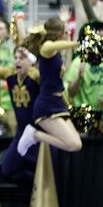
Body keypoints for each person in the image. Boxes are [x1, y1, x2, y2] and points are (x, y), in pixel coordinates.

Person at [17, 18, 83, 156]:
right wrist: (78, 43)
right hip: (47, 104)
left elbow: (66, 69)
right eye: (66, 32)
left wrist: (71, 45)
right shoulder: (47, 47)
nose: (67, 34)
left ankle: (35, 135)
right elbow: (53, 47)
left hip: (59, 103)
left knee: (76, 144)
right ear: (59, 34)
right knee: (72, 144)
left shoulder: (56, 54)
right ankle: (35, 135)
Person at [0, 42, 40, 184]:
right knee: (7, 170)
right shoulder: (11, 74)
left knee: (42, 169)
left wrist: (32, 58)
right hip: (21, 131)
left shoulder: (35, 76)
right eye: (16, 58)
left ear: (30, 60)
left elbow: (46, 77)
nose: (17, 61)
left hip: (39, 131)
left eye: (21, 58)